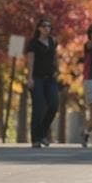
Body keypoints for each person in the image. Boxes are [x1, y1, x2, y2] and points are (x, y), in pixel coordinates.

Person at [26, 18, 60, 148]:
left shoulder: (53, 41)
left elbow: (54, 56)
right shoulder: (33, 43)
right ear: (39, 28)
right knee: (38, 107)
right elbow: (30, 61)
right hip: (37, 78)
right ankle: (36, 139)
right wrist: (30, 78)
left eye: (49, 26)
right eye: (44, 26)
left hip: (50, 78)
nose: (47, 28)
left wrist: (57, 70)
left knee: (53, 105)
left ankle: (42, 133)